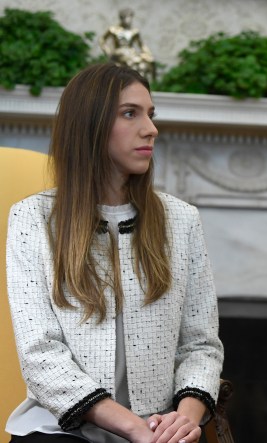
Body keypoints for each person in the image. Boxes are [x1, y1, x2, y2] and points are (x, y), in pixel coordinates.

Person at [5, 63, 224, 443]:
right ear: (89, 125)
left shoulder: (182, 220)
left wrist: (185, 419)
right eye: (129, 113)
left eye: (151, 115)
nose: (151, 129)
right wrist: (133, 429)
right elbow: (40, 354)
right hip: (63, 428)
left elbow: (201, 345)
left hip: (162, 428)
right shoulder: (32, 218)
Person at [100, 8, 157, 82]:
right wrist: (108, 52)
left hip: (131, 53)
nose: (130, 20)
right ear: (122, 18)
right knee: (134, 63)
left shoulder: (134, 32)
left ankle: (145, 85)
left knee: (144, 65)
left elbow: (142, 45)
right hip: (119, 53)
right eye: (128, 17)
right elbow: (102, 40)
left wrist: (148, 54)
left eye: (131, 17)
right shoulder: (113, 30)